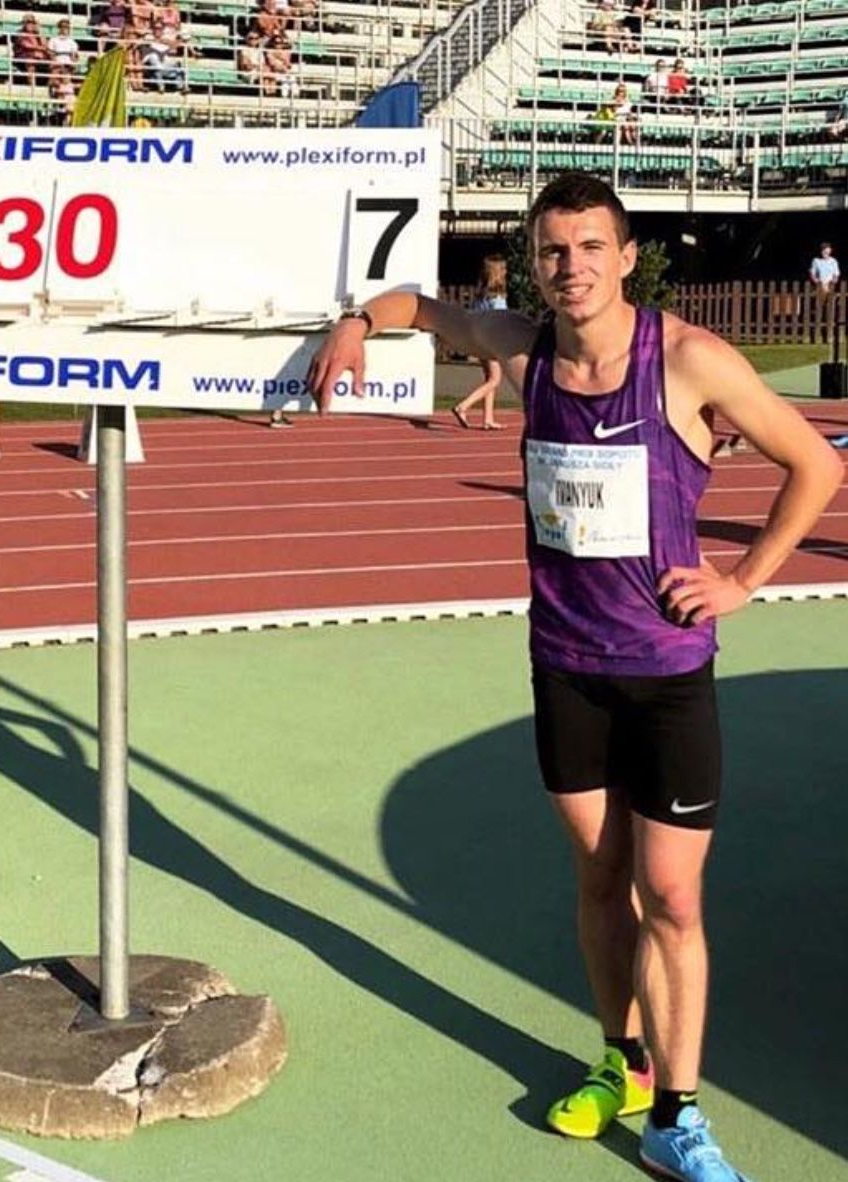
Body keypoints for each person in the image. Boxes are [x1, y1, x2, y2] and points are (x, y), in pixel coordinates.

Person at [307, 171, 842, 1182]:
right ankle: (622, 1063)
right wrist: (353, 324)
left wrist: (740, 580)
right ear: (536, 260)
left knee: (671, 896)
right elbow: (420, 307)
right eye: (554, 249)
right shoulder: (525, 348)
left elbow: (817, 465)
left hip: (667, 672)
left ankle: (678, 1117)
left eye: (592, 246)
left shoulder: (688, 360)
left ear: (628, 257)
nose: (573, 266)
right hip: (566, 667)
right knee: (600, 878)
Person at [449, 255, 508, 430]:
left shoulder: (481, 297)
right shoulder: (497, 298)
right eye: (503, 269)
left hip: (478, 339)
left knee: (489, 378)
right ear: (498, 273)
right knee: (495, 379)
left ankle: (488, 418)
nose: (506, 272)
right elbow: (500, 321)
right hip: (491, 341)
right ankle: (463, 406)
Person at [11, 17, 50, 87]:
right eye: (28, 23)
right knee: (30, 63)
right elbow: (26, 45)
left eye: (33, 23)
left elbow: (45, 45)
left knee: (55, 64)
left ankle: (51, 87)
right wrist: (41, 48)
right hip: (24, 57)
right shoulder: (20, 33)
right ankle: (32, 87)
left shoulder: (38, 34)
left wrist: (39, 32)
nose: (30, 25)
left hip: (39, 57)